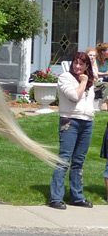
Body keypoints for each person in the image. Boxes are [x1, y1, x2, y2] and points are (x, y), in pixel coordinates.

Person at [48, 51, 96, 209]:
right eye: (75, 62)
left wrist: (86, 81)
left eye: (81, 64)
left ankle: (77, 196)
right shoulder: (65, 78)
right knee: (64, 159)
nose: (77, 66)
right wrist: (83, 82)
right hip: (70, 121)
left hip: (86, 122)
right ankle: (55, 197)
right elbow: (74, 96)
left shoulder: (90, 81)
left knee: (79, 161)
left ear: (86, 66)